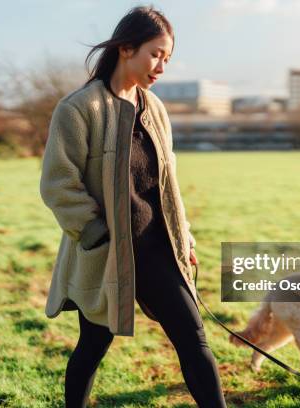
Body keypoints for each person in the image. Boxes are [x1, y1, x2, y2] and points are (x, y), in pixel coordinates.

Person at [39, 6, 227, 408]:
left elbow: (168, 184)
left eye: (167, 58)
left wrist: (185, 237)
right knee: (92, 346)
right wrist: (96, 234)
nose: (161, 66)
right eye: (156, 53)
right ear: (126, 48)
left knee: (194, 341)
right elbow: (58, 184)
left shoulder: (155, 109)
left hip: (158, 251)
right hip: (107, 255)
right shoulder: (78, 109)